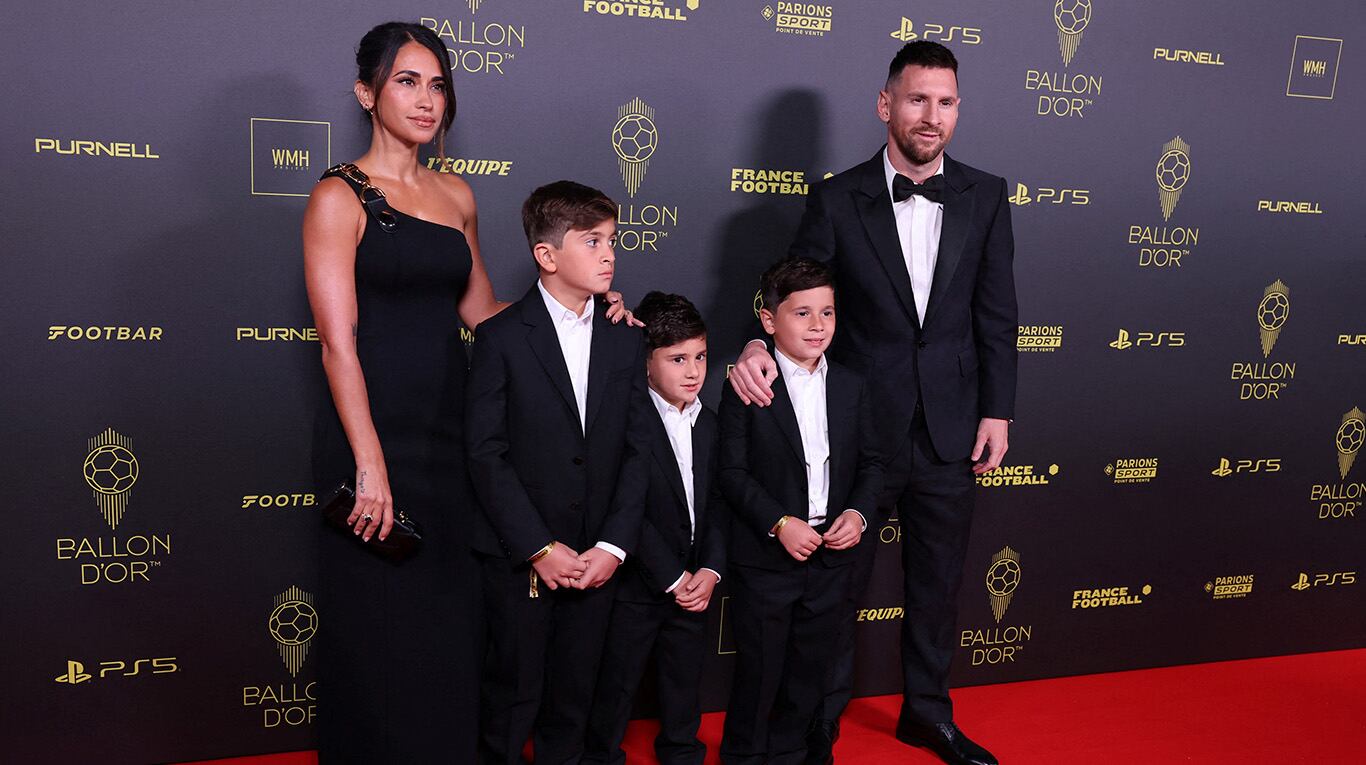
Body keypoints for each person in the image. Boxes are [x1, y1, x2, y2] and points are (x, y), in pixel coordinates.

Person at [304, 24, 631, 762]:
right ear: (367, 93)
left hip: (452, 433)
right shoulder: (337, 194)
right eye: (407, 82)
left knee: (448, 628)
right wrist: (370, 462)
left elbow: (486, 315)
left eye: (438, 84)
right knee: (376, 623)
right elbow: (337, 343)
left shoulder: (456, 193)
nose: (427, 100)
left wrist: (584, 305)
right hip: (373, 432)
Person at [728, 42, 1017, 765]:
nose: (931, 116)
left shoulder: (986, 194)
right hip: (857, 432)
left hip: (951, 425)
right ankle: (814, 729)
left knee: (940, 583)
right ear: (885, 105)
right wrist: (756, 343)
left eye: (945, 101)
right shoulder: (837, 196)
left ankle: (928, 713)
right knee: (834, 588)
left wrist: (997, 409)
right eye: (917, 99)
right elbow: (794, 292)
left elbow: (997, 314)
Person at [465, 181, 649, 764]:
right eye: (591, 241)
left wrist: (613, 546)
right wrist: (538, 548)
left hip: (598, 557)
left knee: (576, 697)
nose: (609, 254)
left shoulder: (626, 339)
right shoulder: (500, 338)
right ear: (546, 256)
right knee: (511, 696)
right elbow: (485, 453)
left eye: (612, 240)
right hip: (523, 558)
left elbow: (640, 451)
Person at [718, 256, 882, 765]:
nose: (817, 326)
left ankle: (791, 754)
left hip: (831, 559)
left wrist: (857, 513)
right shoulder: (748, 383)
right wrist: (778, 522)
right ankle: (744, 757)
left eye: (827, 313)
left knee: (811, 672)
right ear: (769, 321)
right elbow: (731, 473)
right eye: (802, 313)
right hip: (769, 560)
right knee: (760, 674)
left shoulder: (852, 383)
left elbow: (874, 463)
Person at [584, 292, 727, 765]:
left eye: (701, 357)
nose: (693, 371)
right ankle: (600, 755)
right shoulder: (629, 419)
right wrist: (670, 575)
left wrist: (709, 569)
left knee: (685, 682)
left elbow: (720, 506)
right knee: (616, 684)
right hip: (637, 585)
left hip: (694, 583)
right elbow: (627, 509)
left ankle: (682, 752)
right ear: (647, 363)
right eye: (678, 359)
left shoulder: (712, 423)